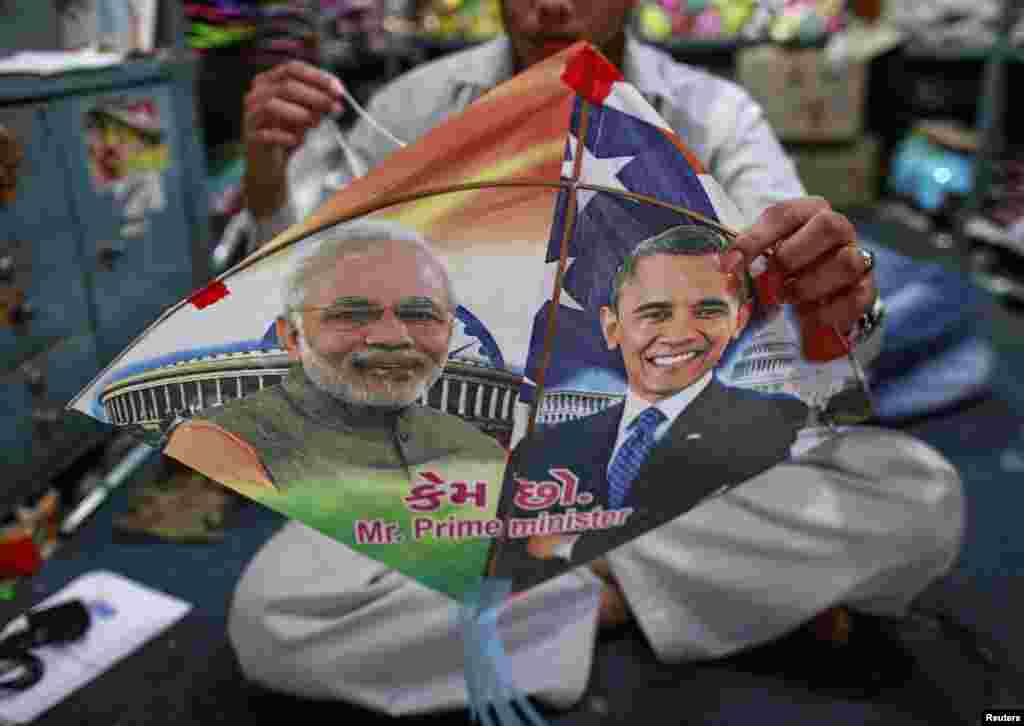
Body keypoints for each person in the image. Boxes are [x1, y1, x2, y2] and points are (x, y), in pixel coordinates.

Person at [224, 0, 962, 715]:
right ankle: (674, 595)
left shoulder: (712, 112)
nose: (550, 7)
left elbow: (803, 317)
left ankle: (577, 598)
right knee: (279, 615)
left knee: (920, 497)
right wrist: (269, 181)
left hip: (673, 448)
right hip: (476, 459)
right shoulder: (418, 105)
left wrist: (833, 293)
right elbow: (305, 301)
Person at [488, 224, 810, 591]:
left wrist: (568, 546)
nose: (679, 335)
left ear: (737, 320)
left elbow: (739, 562)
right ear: (612, 327)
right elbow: (501, 580)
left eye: (707, 311)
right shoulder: (540, 452)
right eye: (655, 313)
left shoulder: (777, 428)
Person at [163, 218, 507, 506]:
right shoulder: (221, 443)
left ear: (448, 332)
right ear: (291, 337)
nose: (391, 337)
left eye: (420, 314)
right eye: (353, 314)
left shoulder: (479, 451)